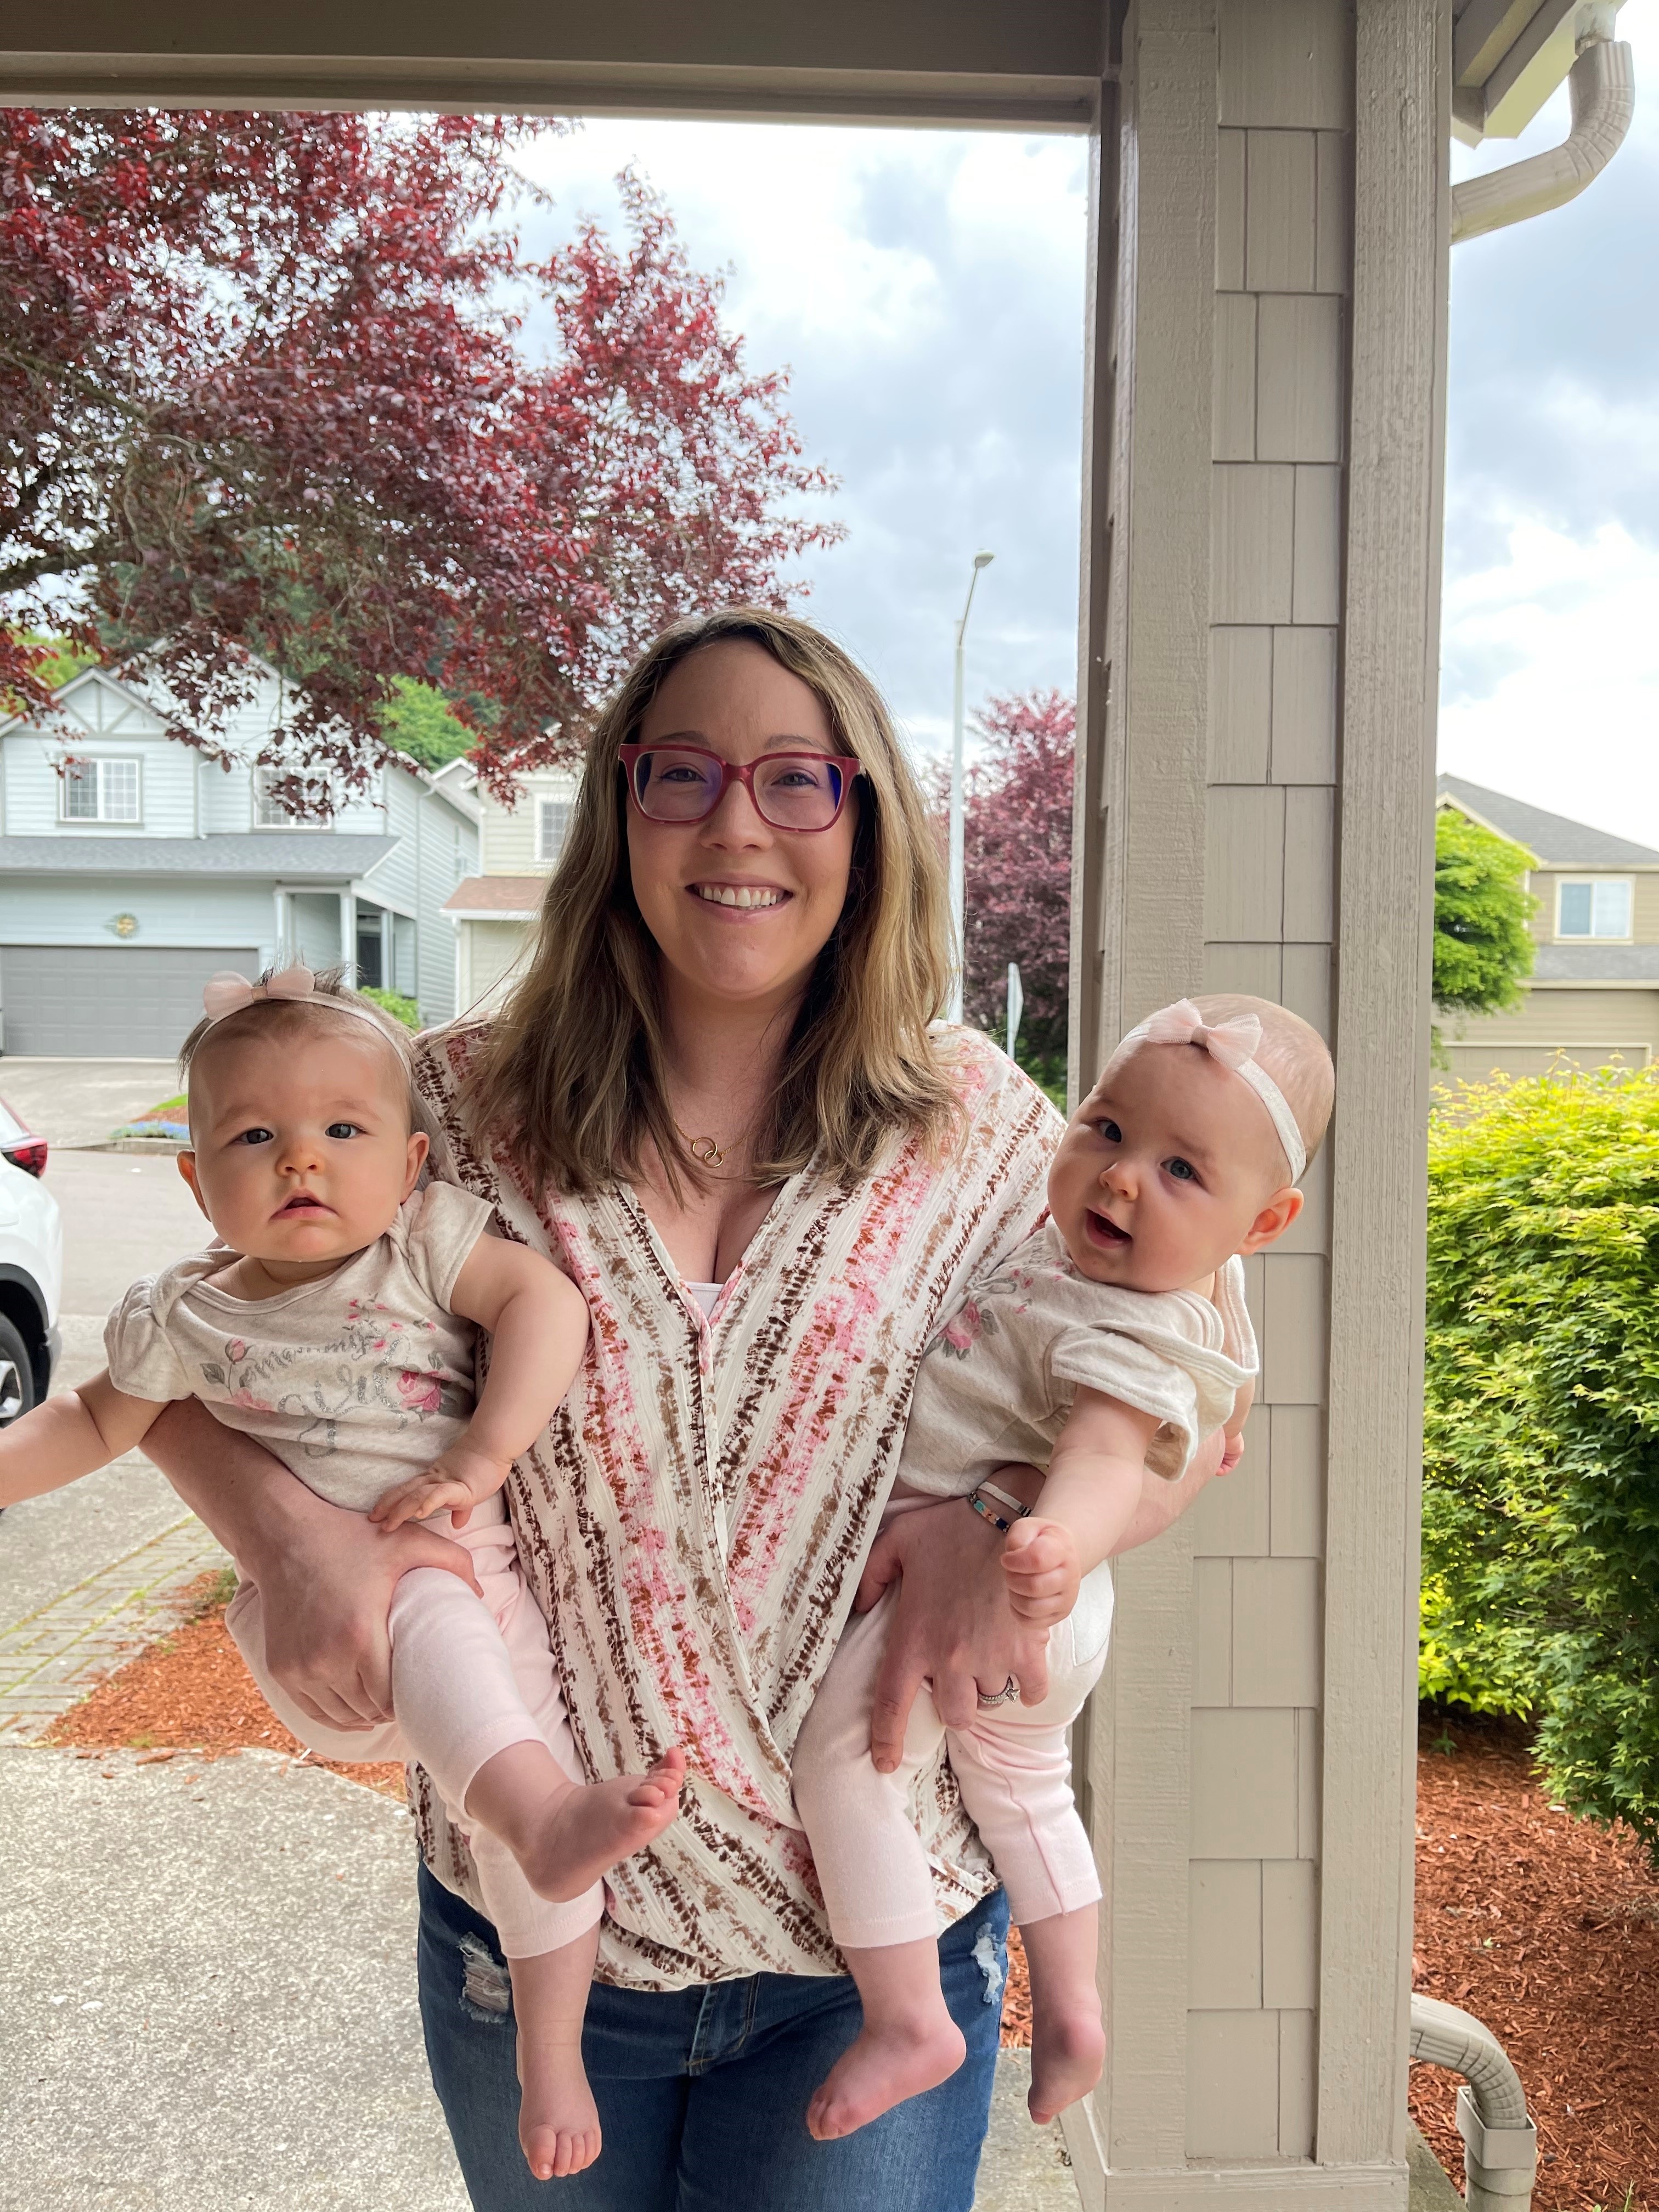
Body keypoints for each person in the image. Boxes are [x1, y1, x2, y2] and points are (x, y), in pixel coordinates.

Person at [138, 607, 1227, 2211]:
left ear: (865, 820)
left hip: (875, 1954)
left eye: (796, 779)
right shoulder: (445, 1108)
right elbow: (166, 1363)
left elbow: (1194, 1408)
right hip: (539, 1946)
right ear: (619, 808)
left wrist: (995, 1523)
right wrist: (292, 1544)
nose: (737, 825)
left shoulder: (985, 1128)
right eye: (683, 775)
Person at [0, 965, 686, 2181]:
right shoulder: (182, 1314)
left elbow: (546, 1307)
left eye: (342, 1131)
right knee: (484, 1733)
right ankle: (540, 1816)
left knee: (504, 1830)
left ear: (413, 1163)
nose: (301, 1160)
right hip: (315, 1631)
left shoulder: (422, 1247)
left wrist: (481, 1455)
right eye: (254, 1137)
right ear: (195, 1180)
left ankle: (552, 2060)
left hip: (465, 1577)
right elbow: (93, 1421)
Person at [792, 994, 1334, 2140]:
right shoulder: (1205, 1284)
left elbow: (1102, 1454)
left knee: (848, 1762)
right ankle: (1078, 2012)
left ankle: (908, 2017)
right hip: (1061, 1610)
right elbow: (1230, 1387)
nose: (1122, 1178)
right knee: (1027, 1788)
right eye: (1106, 1128)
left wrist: (1050, 1539)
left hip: (1014, 1587)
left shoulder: (1133, 1324)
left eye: (1181, 1170)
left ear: (1264, 1220)